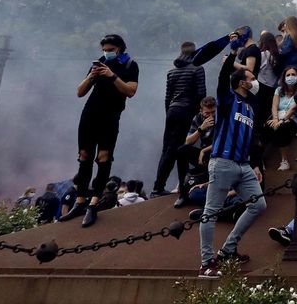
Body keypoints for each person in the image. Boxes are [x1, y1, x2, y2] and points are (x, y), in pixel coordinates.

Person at [199, 27, 267, 280]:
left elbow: (252, 141)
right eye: (249, 79)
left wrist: (257, 165)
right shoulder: (227, 100)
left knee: (258, 204)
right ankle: (206, 262)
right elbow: (222, 78)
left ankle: (228, 249)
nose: (253, 81)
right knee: (211, 212)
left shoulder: (249, 108)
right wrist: (231, 53)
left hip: (244, 165)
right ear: (241, 83)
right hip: (223, 163)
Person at [58, 34, 139, 228]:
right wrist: (92, 76)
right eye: (105, 49)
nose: (107, 52)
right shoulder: (99, 64)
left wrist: (112, 76)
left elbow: (130, 91)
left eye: (111, 49)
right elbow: (80, 92)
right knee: (84, 156)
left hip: (110, 117)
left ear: (120, 48)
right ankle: (79, 202)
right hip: (89, 115)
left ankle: (94, 204)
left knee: (103, 158)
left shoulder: (130, 65)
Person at [152, 41, 208, 198]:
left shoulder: (172, 72)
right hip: (187, 111)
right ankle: (174, 186)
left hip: (171, 111)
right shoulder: (197, 69)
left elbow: (167, 97)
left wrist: (169, 113)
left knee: (167, 149)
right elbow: (201, 94)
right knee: (181, 149)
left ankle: (159, 186)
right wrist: (199, 115)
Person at [175, 96, 217, 206]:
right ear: (201, 111)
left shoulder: (222, 118)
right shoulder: (198, 118)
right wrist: (200, 129)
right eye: (207, 113)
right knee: (182, 150)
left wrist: (203, 151)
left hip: (218, 153)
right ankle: (183, 194)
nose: (211, 116)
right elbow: (188, 141)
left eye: (213, 112)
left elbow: (224, 141)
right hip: (204, 155)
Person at [260, 67, 297, 171]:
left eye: (293, 75)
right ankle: (259, 160)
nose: (290, 77)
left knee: (282, 128)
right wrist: (275, 119)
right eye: (288, 75)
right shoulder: (279, 90)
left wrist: (282, 121)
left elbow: (293, 108)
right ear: (283, 78)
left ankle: (284, 161)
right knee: (266, 127)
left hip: (293, 119)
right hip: (278, 117)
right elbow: (274, 106)